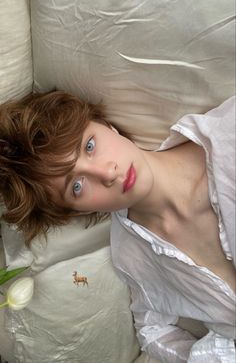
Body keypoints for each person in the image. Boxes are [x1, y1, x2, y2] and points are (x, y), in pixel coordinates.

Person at [0, 90, 235, 362]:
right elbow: (151, 329)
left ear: (107, 126)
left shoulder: (228, 132)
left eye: (89, 146)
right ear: (80, 210)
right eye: (77, 186)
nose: (107, 173)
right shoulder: (131, 254)